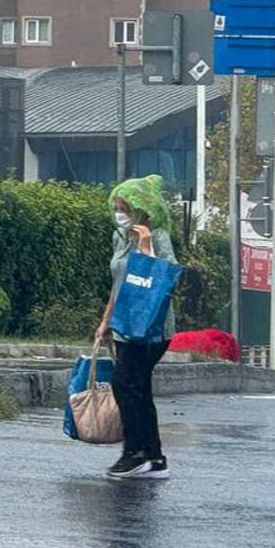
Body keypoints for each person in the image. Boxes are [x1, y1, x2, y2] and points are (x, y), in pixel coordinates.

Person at [94, 175, 179, 480]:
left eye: (125, 208)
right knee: (136, 387)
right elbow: (118, 282)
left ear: (141, 210)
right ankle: (153, 457)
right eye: (117, 207)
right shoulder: (120, 237)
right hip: (123, 324)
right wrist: (106, 320)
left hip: (151, 328)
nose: (120, 213)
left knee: (126, 384)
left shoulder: (157, 235)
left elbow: (165, 277)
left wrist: (145, 248)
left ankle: (136, 452)